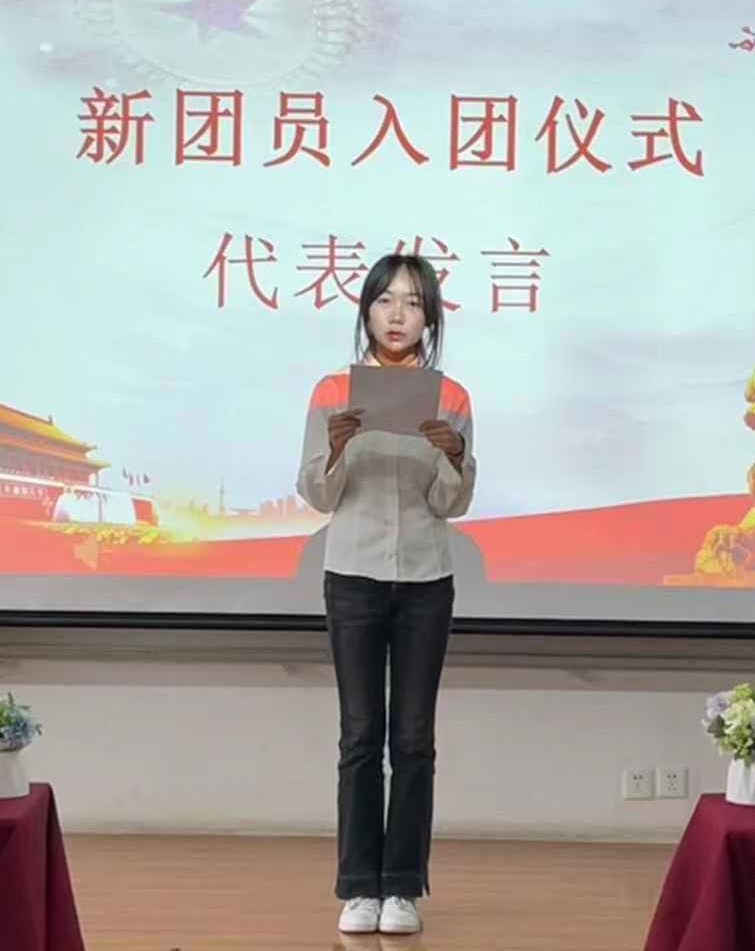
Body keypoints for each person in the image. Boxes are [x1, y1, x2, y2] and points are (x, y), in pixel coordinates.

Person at [295, 254, 477, 935]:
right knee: (360, 735)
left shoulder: (451, 396)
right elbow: (318, 494)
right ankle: (357, 887)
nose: (397, 315)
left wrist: (454, 457)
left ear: (430, 317)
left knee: (414, 738)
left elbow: (450, 503)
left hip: (426, 578)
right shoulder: (331, 390)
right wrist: (336, 447)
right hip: (353, 575)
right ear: (366, 310)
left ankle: (403, 887)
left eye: (412, 303)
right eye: (385, 301)